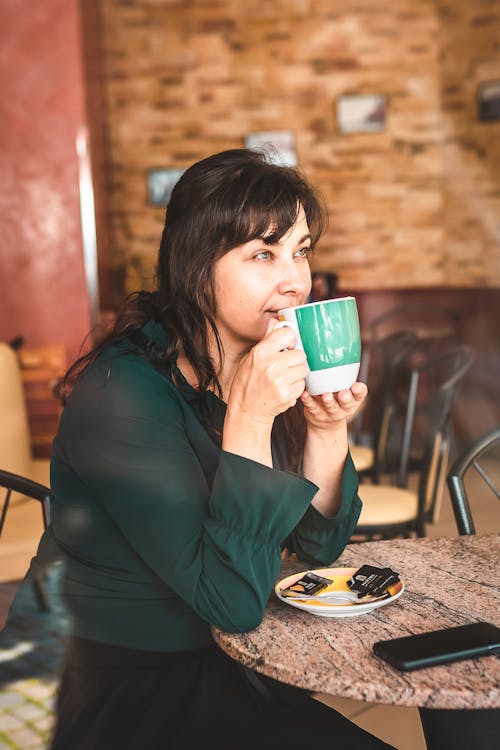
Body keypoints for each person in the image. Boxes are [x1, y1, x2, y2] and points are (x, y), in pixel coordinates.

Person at [43, 149, 394, 749]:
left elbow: (317, 548)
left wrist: (327, 429)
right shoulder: (121, 392)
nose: (295, 280)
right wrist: (251, 420)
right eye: (263, 254)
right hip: (123, 688)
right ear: (196, 264)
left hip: (231, 662)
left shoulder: (258, 359)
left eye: (301, 251)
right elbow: (232, 603)